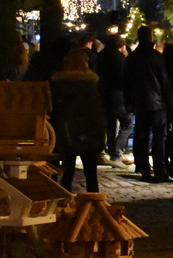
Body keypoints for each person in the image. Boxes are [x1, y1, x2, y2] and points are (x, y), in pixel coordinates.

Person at [50, 48, 106, 192]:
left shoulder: (58, 84)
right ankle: (93, 204)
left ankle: (64, 201)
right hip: (86, 133)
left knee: (67, 173)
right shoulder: (89, 84)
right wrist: (99, 136)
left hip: (65, 133)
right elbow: (96, 112)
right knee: (90, 174)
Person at [123, 27, 173, 182]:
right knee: (159, 138)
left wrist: (129, 102)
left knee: (141, 136)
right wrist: (170, 103)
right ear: (151, 37)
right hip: (157, 104)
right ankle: (160, 169)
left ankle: (143, 168)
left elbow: (127, 82)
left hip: (140, 103)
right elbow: (164, 82)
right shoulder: (156, 57)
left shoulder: (131, 58)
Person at [96, 35, 132, 166]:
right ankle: (116, 152)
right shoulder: (119, 58)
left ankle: (113, 151)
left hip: (104, 93)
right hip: (117, 94)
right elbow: (123, 78)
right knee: (127, 122)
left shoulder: (101, 56)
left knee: (111, 124)